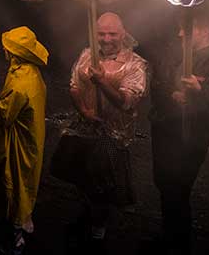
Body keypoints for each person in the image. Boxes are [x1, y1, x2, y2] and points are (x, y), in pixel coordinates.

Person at [57, 13, 148, 245]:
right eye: (101, 34)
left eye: (112, 33)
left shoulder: (135, 64)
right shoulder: (87, 55)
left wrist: (103, 82)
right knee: (81, 179)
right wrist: (84, 111)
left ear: (123, 33)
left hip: (112, 137)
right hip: (83, 131)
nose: (106, 39)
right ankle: (86, 216)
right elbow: (74, 86)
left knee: (105, 188)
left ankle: (99, 230)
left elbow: (127, 101)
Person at [150, 7, 209, 254]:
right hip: (165, 129)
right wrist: (170, 95)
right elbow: (158, 81)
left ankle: (178, 242)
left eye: (187, 28)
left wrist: (199, 92)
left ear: (204, 30)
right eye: (180, 27)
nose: (180, 33)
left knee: (178, 189)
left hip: (192, 138)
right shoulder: (176, 52)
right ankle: (169, 233)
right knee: (163, 184)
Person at [0, 26, 48, 255]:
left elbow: (2, 116)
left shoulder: (20, 84)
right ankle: (20, 223)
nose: (3, 50)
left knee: (16, 187)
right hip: (30, 140)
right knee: (24, 186)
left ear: (14, 53)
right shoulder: (30, 72)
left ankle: (14, 239)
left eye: (7, 48)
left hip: (19, 146)